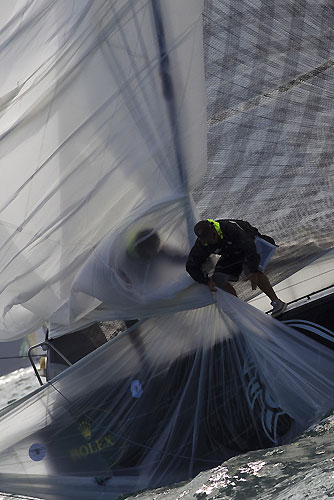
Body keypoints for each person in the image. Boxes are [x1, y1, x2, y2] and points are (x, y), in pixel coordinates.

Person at [186, 219, 287, 317]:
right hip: (232, 253)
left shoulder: (230, 228)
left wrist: (253, 271)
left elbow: (250, 248)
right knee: (218, 280)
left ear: (214, 229)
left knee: (254, 270)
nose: (211, 241)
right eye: (207, 241)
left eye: (212, 237)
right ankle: (243, 313)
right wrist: (206, 281)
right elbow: (191, 266)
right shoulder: (202, 245)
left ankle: (276, 302)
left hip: (254, 244)